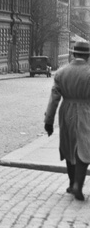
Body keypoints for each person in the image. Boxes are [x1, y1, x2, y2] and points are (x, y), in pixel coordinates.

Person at [44, 41, 90, 201]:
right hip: (86, 111)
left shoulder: (62, 72)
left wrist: (48, 121)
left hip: (67, 111)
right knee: (84, 149)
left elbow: (54, 98)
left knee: (69, 146)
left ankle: (72, 184)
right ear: (88, 56)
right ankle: (78, 184)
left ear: (73, 54)